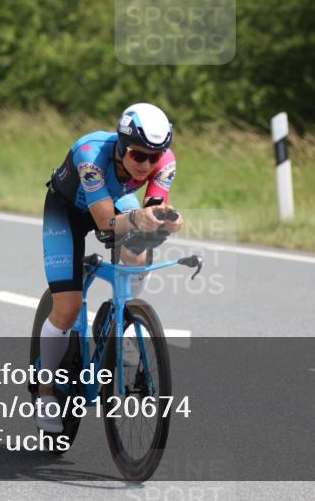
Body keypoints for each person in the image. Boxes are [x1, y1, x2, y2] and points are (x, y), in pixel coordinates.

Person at [37, 102, 183, 431]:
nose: (146, 164)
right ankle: (46, 390)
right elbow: (105, 222)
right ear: (120, 145)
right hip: (68, 211)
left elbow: (153, 209)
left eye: (154, 156)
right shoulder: (90, 155)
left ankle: (124, 319)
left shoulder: (166, 161)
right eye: (138, 155)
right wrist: (138, 218)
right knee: (69, 307)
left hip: (115, 202)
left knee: (139, 252)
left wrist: (165, 221)